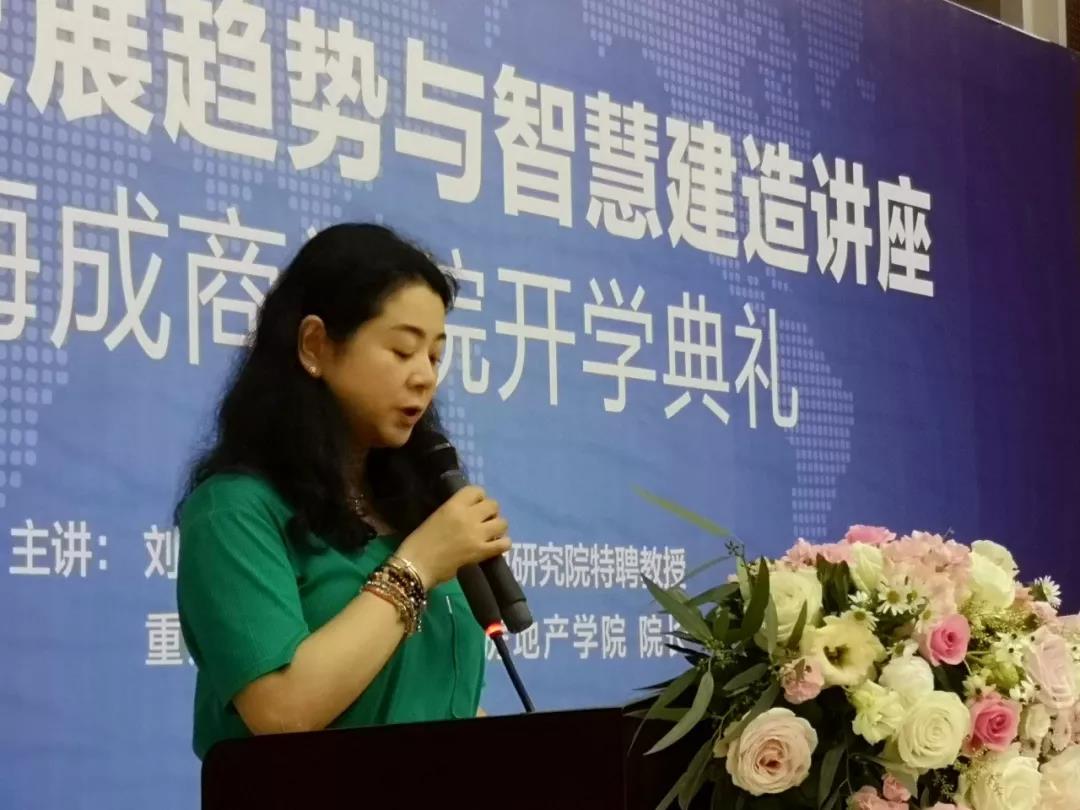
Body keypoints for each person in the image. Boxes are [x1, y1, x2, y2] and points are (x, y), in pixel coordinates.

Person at [175, 223, 511, 760]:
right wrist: (417, 567)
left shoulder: (412, 512)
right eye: (403, 350)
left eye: (434, 355)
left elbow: (429, 705)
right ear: (315, 346)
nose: (425, 376)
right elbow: (282, 712)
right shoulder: (233, 512)